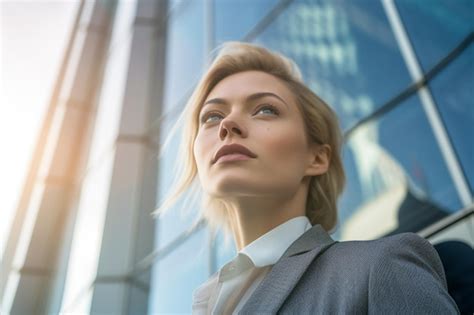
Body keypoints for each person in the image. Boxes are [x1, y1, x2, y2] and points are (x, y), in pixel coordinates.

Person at [156, 42, 459, 314]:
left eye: (265, 109)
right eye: (212, 116)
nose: (228, 123)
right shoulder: (207, 303)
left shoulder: (380, 269)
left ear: (316, 158)